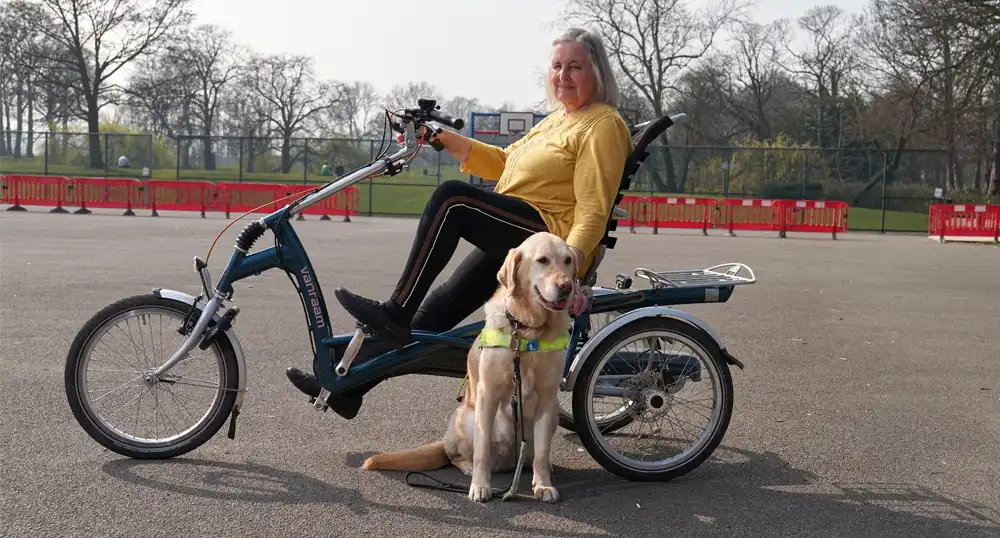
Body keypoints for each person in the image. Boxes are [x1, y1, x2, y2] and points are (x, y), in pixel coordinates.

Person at [286, 27, 633, 394]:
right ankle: (347, 385)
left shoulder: (602, 125)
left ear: (596, 72)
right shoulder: (557, 120)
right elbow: (503, 161)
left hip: (548, 239)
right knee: (440, 307)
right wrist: (440, 137)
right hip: (519, 235)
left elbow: (594, 209)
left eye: (575, 67)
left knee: (453, 200)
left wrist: (571, 268)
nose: (563, 76)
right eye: (557, 66)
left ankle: (395, 312)